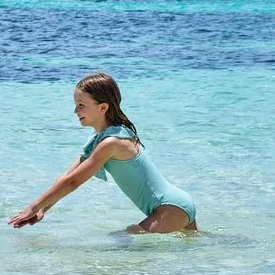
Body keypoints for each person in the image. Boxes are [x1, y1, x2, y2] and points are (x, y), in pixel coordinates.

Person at [10, 72, 197, 235]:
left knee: (121, 242)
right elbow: (68, 176)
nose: (75, 111)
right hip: (176, 204)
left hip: (170, 208)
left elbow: (73, 182)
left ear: (103, 107)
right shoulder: (100, 137)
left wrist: (33, 207)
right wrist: (43, 208)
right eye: (76, 104)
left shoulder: (112, 142)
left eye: (81, 105)